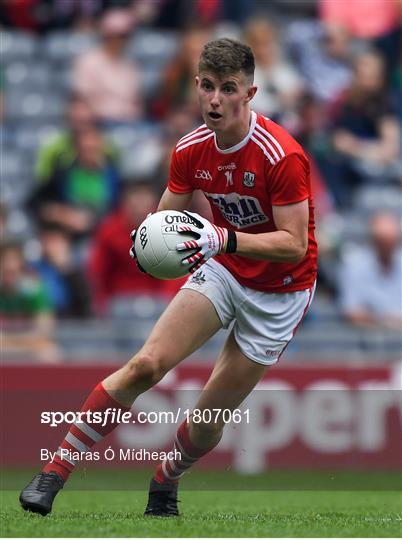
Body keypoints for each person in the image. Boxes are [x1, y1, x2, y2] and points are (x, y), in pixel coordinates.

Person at [20, 38, 317, 517]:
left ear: (250, 93)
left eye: (227, 88)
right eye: (206, 87)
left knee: (206, 422)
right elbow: (161, 225)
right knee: (145, 365)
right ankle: (53, 473)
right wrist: (148, 249)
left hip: (281, 292)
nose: (215, 99)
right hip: (224, 269)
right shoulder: (189, 150)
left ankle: (166, 479)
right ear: (195, 87)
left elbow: (293, 244)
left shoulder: (281, 154)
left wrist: (222, 239)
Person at [338, 211, 402, 329]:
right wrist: (387, 321)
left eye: (391, 242)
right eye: (382, 243)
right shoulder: (354, 264)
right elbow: (351, 311)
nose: (387, 248)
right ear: (373, 241)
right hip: (366, 337)